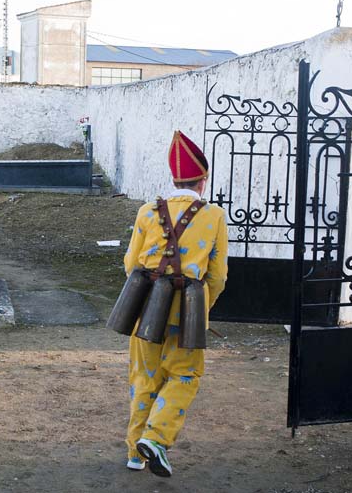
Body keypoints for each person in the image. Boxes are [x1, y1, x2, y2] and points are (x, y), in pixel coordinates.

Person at [122, 130, 228, 477]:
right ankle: (155, 438)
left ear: (174, 177)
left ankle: (134, 453)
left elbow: (131, 263)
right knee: (185, 374)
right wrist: (203, 304)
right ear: (203, 180)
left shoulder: (147, 211)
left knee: (145, 376)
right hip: (188, 308)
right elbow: (218, 275)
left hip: (145, 303)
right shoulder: (213, 216)